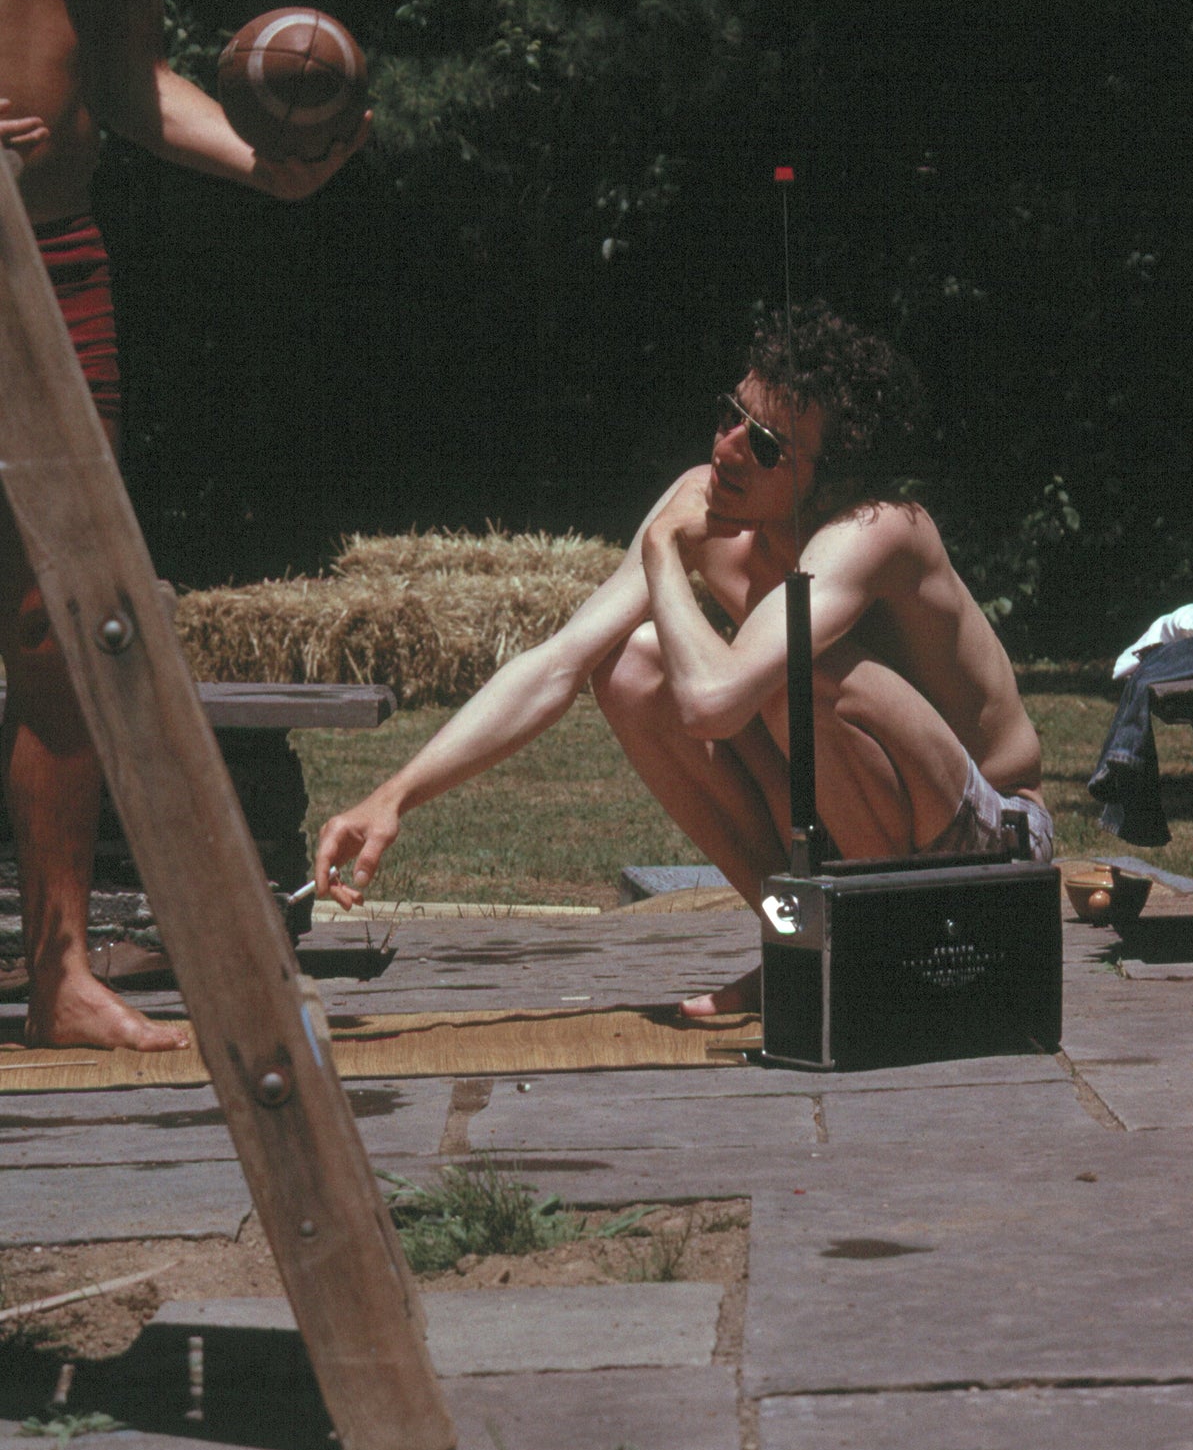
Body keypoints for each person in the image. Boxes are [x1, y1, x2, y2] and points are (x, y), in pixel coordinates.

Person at [0, 0, 369, 1051]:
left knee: (67, 617)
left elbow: (136, 87)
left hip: (59, 261)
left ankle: (63, 970)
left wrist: (265, 165)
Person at [316, 302, 1052, 1015]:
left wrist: (666, 548)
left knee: (801, 676)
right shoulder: (706, 504)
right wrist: (394, 796)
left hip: (994, 846)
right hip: (861, 821)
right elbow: (559, 664)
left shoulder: (880, 528)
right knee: (630, 668)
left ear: (836, 479)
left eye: (765, 445)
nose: (727, 448)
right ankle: (804, 943)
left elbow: (714, 702)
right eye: (731, 414)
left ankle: (860, 956)